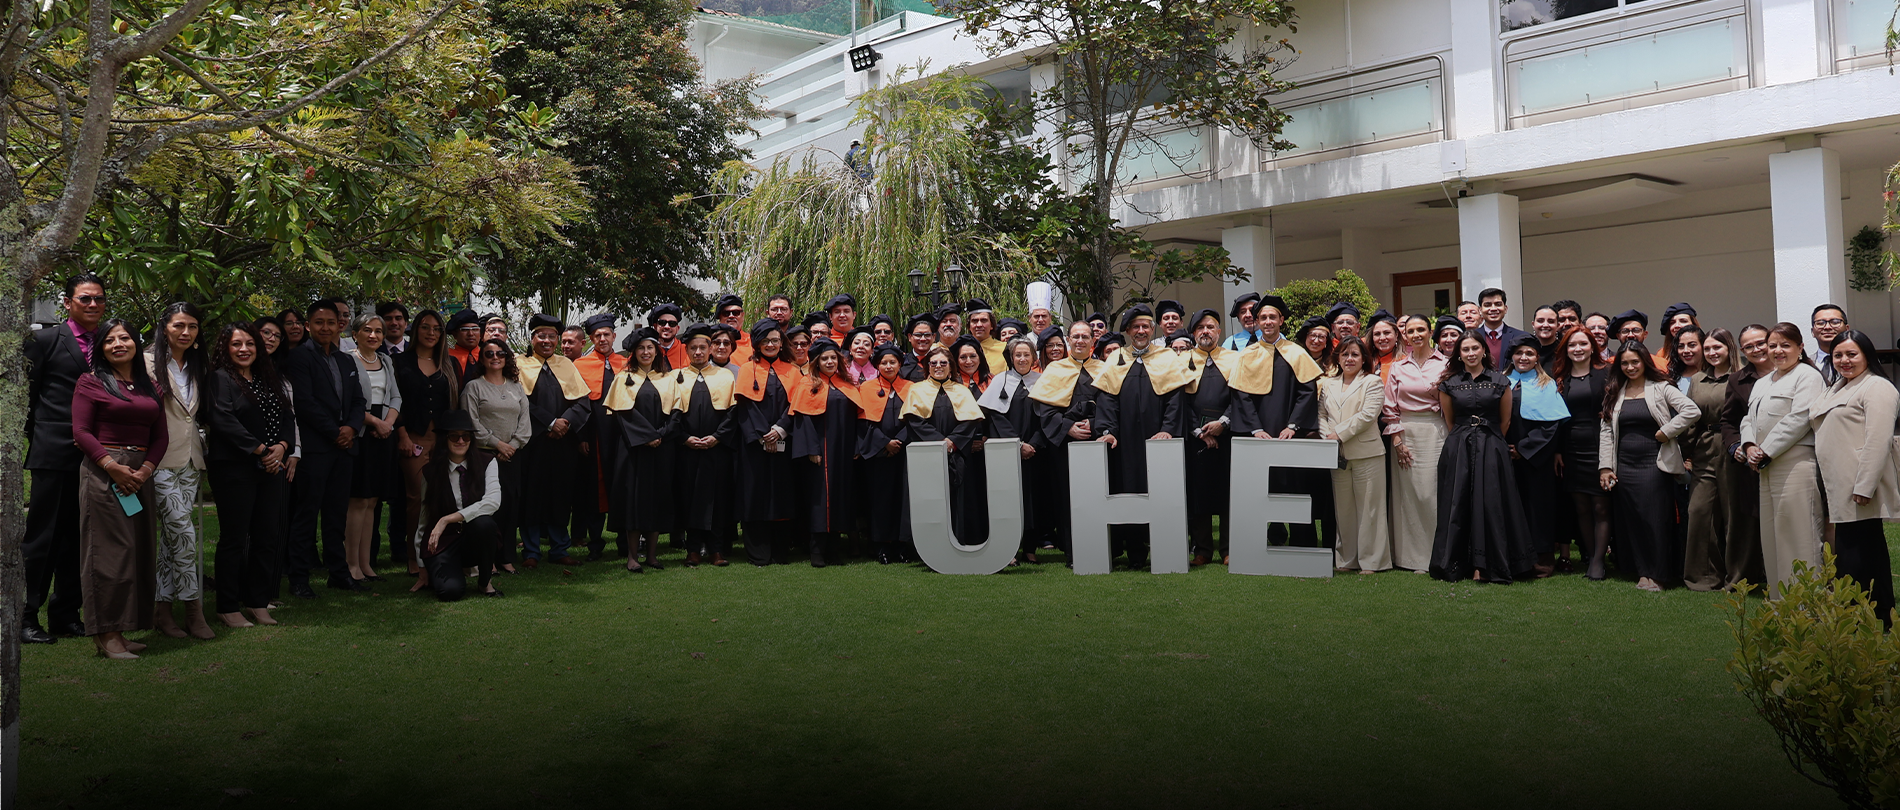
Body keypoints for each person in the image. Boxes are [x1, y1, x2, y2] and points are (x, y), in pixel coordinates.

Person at [72, 319, 169, 659]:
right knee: (109, 553)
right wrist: (113, 467)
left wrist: (144, 471)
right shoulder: (91, 382)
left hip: (140, 473)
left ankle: (122, 629)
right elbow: (81, 431)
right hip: (104, 471)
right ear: (100, 348)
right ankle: (106, 633)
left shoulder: (151, 387)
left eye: (124, 338)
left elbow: (161, 437)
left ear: (135, 343)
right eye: (109, 340)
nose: (118, 344)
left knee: (137, 550)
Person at [22, 273, 108, 644]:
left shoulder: (110, 341)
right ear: (68, 302)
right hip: (53, 453)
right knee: (42, 539)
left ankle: (65, 614)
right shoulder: (43, 340)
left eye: (99, 299)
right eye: (85, 298)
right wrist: (41, 437)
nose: (93, 304)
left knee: (80, 537)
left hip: (97, 456)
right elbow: (28, 397)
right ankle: (26, 616)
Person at [202, 324, 292, 628]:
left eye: (250, 343)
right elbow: (222, 419)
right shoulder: (220, 378)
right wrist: (262, 450)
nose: (244, 349)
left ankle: (257, 602)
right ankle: (227, 606)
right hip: (234, 468)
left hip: (271, 466)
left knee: (267, 537)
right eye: (236, 344)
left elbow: (287, 415)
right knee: (234, 539)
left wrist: (282, 447)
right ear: (225, 348)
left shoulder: (268, 378)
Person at [1429, 330, 1533, 583]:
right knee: (1459, 501)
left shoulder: (1500, 381)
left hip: (1492, 447)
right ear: (1459, 354)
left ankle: (1489, 564)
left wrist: (1489, 441)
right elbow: (1450, 421)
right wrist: (1466, 438)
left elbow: (1505, 421)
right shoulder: (1449, 384)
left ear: (1484, 350)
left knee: (1492, 502)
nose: (1471, 353)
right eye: (1465, 349)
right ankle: (1461, 563)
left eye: (1475, 348)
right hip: (1459, 448)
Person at [1092, 305, 1191, 568]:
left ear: (1152, 329)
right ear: (1127, 331)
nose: (1141, 331)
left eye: (1145, 326)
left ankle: (1165, 549)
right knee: (1128, 491)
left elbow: (1175, 399)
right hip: (1124, 442)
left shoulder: (1167, 357)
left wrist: (1168, 429)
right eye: (1135, 327)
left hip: (1158, 439)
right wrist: (1108, 431)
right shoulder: (1116, 358)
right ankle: (1134, 551)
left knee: (1162, 491)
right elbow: (1107, 400)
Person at [1811, 330, 1898, 627]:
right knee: (1855, 553)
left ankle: (1874, 617)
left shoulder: (1877, 387)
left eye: (1852, 354)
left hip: (1858, 484)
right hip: (1837, 482)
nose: (1844, 360)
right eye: (1838, 355)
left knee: (1861, 555)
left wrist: (1865, 485)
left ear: (1866, 355)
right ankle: (1866, 617)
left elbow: (1878, 440)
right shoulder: (1836, 387)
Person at [1599, 340, 1701, 591]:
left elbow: (1691, 411)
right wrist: (1605, 467)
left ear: (1645, 361)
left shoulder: (1662, 387)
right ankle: (1642, 572)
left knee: (1655, 519)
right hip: (1624, 466)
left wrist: (1667, 431)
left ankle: (1659, 575)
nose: (1630, 367)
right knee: (1633, 520)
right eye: (1625, 363)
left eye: (1635, 362)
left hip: (1655, 465)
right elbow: (1606, 431)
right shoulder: (1615, 390)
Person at [282, 299, 366, 598]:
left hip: (344, 449)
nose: (326, 328)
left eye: (331, 322)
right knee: (306, 513)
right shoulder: (298, 358)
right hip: (316, 448)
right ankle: (299, 578)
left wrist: (351, 428)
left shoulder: (346, 360)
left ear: (339, 325)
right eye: (319, 322)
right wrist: (335, 432)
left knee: (336, 514)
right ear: (308, 325)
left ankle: (338, 573)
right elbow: (304, 402)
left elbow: (358, 400)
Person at [140, 302, 214, 640]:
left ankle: (162, 610)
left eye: (192, 326)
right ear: (164, 327)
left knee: (171, 540)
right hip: (158, 459)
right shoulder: (145, 362)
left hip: (191, 459)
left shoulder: (199, 363)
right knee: (184, 533)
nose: (186, 332)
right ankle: (194, 609)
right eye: (179, 325)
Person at [1740, 322, 1828, 599]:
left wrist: (1765, 450)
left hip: (1795, 462)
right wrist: (1749, 445)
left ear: (1800, 348)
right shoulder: (1763, 382)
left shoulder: (1808, 377)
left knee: (1799, 535)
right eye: (1773, 345)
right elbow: (1748, 419)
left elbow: (1800, 418)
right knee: (1772, 537)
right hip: (1765, 466)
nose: (1778, 351)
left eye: (1785, 345)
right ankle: (1780, 605)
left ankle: (1807, 606)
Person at [1231, 295, 1323, 548]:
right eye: (1263, 318)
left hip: (1290, 433)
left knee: (1295, 486)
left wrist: (1293, 425)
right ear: (1257, 322)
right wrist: (1255, 428)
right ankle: (1263, 542)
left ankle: (1302, 542)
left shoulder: (1296, 353)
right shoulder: (1247, 355)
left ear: (1281, 320)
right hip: (1258, 434)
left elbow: (1307, 392)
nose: (1268, 321)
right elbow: (1241, 395)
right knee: (1260, 489)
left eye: (1272, 317)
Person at [519, 314, 594, 568]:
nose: (547, 340)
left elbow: (582, 402)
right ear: (532, 338)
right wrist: (550, 422)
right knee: (531, 495)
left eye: (552, 336)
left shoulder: (566, 365)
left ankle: (560, 548)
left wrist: (565, 423)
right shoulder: (520, 364)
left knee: (561, 496)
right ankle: (531, 551)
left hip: (563, 444)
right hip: (533, 442)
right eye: (541, 335)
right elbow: (520, 401)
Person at [392, 310, 459, 590]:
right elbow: (394, 400)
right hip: (413, 439)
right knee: (417, 499)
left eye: (437, 329)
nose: (431, 333)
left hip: (444, 441)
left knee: (445, 498)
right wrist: (402, 435)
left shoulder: (449, 363)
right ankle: (415, 556)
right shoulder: (398, 362)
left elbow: (456, 405)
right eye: (425, 327)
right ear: (415, 329)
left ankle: (443, 553)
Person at [1029, 321, 1106, 558]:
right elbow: (1045, 409)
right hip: (1064, 444)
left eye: (1085, 337)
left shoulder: (1105, 369)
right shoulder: (1055, 370)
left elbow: (1112, 405)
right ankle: (1073, 551)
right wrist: (1067, 427)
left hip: (1097, 442)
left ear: (1093, 340)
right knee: (1067, 496)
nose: (1080, 341)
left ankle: (1102, 548)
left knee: (1099, 494)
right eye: (1076, 337)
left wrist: (1095, 424)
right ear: (1068, 340)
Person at [603, 328, 678, 572]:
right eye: (641, 348)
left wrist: (660, 435)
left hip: (661, 449)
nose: (646, 352)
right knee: (633, 500)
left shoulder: (668, 379)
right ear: (634, 353)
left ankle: (653, 556)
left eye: (650, 348)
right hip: (632, 449)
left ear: (657, 351)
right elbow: (623, 414)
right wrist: (647, 437)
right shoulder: (623, 378)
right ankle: (632, 556)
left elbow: (677, 413)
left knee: (657, 498)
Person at [411, 412, 504, 601]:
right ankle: (447, 573)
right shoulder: (431, 472)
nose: (460, 441)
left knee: (485, 524)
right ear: (444, 439)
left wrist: (447, 519)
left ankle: (485, 582)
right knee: (450, 592)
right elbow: (424, 519)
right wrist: (421, 567)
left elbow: (493, 501)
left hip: (473, 539)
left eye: (466, 436)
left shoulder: (487, 462)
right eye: (454, 436)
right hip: (443, 543)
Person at [1383, 314, 1449, 572]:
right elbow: (1390, 407)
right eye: (1411, 331)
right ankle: (1408, 557)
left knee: (1431, 493)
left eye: (1421, 329)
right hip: (1405, 432)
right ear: (1405, 336)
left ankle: (1436, 555)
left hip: (1436, 431)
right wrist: (1397, 441)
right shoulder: (1398, 367)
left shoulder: (1446, 363)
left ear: (1430, 332)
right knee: (1407, 496)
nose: (1416, 335)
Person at [790, 340, 864, 566]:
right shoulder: (807, 384)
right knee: (820, 500)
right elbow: (803, 420)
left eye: (833, 358)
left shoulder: (847, 384)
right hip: (820, 452)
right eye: (824, 358)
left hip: (843, 452)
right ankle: (817, 550)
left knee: (841, 497)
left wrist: (857, 447)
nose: (830, 362)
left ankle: (833, 549)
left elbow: (858, 419)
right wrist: (811, 449)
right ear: (816, 362)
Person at [903, 344, 985, 548]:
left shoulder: (961, 390)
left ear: (951, 366)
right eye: (933, 363)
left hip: (956, 453)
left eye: (943, 362)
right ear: (927, 366)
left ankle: (960, 540)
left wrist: (952, 442)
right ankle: (928, 547)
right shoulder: (917, 389)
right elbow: (914, 421)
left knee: (958, 498)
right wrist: (940, 442)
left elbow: (970, 421)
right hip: (927, 455)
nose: (938, 366)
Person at [1320, 336, 1389, 573]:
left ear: (1363, 359)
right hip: (1336, 454)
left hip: (1366, 453)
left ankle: (1372, 561)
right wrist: (1327, 437)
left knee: (1370, 509)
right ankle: (1346, 560)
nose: (1349, 359)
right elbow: (1321, 414)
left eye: (1355, 354)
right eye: (1345, 354)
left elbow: (1368, 415)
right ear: (1338, 358)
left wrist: (1338, 434)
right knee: (1344, 510)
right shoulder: (1328, 384)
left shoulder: (1372, 381)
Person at [672, 324, 739, 567]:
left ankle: (716, 549)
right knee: (689, 497)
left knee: (717, 498)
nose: (698, 352)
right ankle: (692, 549)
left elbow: (733, 412)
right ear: (687, 350)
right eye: (693, 348)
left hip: (717, 448)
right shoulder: (676, 377)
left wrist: (717, 437)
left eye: (703, 347)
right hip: (687, 449)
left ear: (710, 349)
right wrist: (684, 438)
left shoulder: (725, 376)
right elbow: (671, 414)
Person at [462, 337, 530, 573]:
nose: (495, 358)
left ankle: (506, 557)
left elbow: (525, 422)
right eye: (489, 354)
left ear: (507, 357)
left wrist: (512, 445)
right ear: (481, 359)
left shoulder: (516, 387)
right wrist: (497, 444)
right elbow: (471, 422)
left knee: (510, 507)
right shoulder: (474, 387)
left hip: (512, 456)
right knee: (487, 507)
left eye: (500, 353)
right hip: (483, 456)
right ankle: (487, 559)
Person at [734, 319, 798, 566]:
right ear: (757, 344)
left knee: (781, 493)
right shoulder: (746, 369)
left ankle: (780, 549)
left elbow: (796, 406)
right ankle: (758, 551)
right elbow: (746, 407)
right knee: (755, 494)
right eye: (765, 341)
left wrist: (780, 430)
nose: (770, 345)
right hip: (754, 446)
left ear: (782, 343)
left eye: (775, 340)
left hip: (785, 442)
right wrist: (763, 435)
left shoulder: (792, 371)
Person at [343, 313, 400, 586]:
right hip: (361, 432)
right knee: (358, 500)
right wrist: (375, 422)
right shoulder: (347, 360)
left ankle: (365, 564)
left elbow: (396, 396)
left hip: (383, 435)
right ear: (355, 334)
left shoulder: (386, 361)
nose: (373, 335)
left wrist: (387, 423)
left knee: (373, 501)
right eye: (367, 330)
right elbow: (348, 401)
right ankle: (351, 564)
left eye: (378, 331)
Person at [1503, 334, 1567, 577]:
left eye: (1529, 353)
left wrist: (1523, 449)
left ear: (1537, 357)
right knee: (1510, 506)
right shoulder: (1501, 381)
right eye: (1519, 353)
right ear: (1512, 356)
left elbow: (1551, 424)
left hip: (1536, 457)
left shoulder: (1546, 384)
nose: (1524, 357)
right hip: (1504, 453)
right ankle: (1512, 559)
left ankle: (1540, 560)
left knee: (1538, 508)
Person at [978, 337, 1045, 564]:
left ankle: (1030, 548)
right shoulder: (1000, 380)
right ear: (1011, 358)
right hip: (1007, 451)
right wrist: (1017, 444)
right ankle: (1010, 550)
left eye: (1027, 355)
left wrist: (1033, 444)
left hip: (1035, 452)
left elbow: (1046, 417)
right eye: (1018, 355)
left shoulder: (1041, 380)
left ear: (1034, 357)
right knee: (1008, 499)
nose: (1022, 359)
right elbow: (996, 417)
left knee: (1033, 500)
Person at [1679, 327, 1736, 591]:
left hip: (1733, 448)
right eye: (1709, 348)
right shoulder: (1697, 380)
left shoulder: (1741, 377)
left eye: (1717, 347)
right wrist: (1685, 452)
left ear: (1729, 348)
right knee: (1699, 511)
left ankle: (1738, 577)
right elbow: (1691, 418)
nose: (1712, 352)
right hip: (1704, 449)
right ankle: (1703, 577)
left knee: (1733, 514)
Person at [1554, 326, 1613, 579]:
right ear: (1566, 350)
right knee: (1581, 507)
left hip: (1600, 446)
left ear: (1592, 347)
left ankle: (1599, 562)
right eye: (1572, 345)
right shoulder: (1560, 378)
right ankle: (1590, 555)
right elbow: (1556, 418)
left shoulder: (1606, 373)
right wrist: (1558, 450)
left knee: (1601, 507)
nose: (1577, 349)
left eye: (1583, 344)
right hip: (1571, 450)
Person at [1180, 310, 1237, 565]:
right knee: (1197, 492)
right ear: (1194, 333)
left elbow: (1241, 396)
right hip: (1195, 437)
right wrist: (1199, 431)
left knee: (1229, 492)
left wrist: (1223, 423)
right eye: (1200, 328)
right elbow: (1178, 401)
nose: (1206, 331)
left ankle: (1228, 548)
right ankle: (1202, 549)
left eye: (1211, 327)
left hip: (1228, 435)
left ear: (1219, 332)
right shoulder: (1182, 361)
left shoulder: (1234, 359)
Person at [1717, 325, 1772, 592]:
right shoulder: (1737, 380)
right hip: (1751, 460)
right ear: (1741, 350)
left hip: (1792, 455)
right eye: (1749, 346)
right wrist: (1736, 446)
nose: (1757, 349)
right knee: (1749, 520)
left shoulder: (1797, 371)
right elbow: (1728, 421)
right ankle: (1745, 578)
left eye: (1761, 342)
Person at [573, 313, 625, 560]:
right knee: (594, 487)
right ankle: (595, 543)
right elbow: (577, 403)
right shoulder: (580, 365)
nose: (602, 339)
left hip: (622, 435)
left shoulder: (626, 363)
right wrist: (581, 437)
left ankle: (625, 542)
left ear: (614, 336)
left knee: (622, 484)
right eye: (597, 335)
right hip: (593, 434)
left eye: (606, 334)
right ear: (591, 339)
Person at [859, 345, 915, 564]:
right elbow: (863, 422)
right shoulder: (866, 388)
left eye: (893, 362)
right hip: (879, 454)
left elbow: (915, 420)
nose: (888, 366)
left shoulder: (910, 387)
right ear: (877, 365)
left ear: (900, 364)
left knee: (903, 499)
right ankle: (881, 545)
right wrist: (885, 443)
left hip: (905, 452)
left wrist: (898, 442)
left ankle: (902, 545)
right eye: (884, 363)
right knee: (880, 500)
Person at [1474, 288, 1530, 368]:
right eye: (1487, 305)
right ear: (1480, 310)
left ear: (1505, 308)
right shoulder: (1472, 337)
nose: (1493, 309)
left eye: (1498, 304)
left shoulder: (1521, 337)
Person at [1811, 304, 1849, 385]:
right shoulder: (1804, 364)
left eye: (1835, 322)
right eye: (1820, 323)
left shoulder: (1859, 362)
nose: (1827, 327)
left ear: (1847, 329)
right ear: (1812, 332)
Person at [966, 298, 1007, 374]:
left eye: (984, 320)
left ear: (992, 325)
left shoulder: (1005, 348)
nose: (979, 325)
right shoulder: (962, 350)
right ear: (969, 326)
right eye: (975, 321)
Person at [445, 309, 482, 377]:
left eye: (475, 329)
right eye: (465, 329)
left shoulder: (487, 356)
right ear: (455, 334)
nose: (470, 334)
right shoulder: (446, 357)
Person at [715, 294, 751, 362]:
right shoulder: (709, 342)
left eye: (736, 313)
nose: (731, 316)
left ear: (742, 315)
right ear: (720, 317)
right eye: (726, 313)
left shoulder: (753, 342)